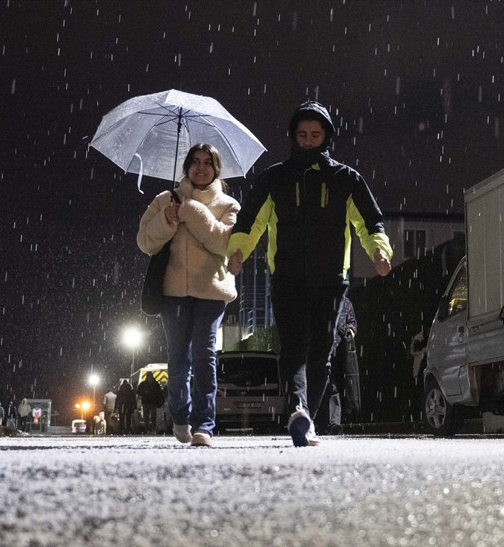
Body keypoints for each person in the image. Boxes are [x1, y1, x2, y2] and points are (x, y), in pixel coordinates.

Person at [227, 100, 392, 447]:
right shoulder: (275, 178)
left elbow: (369, 222)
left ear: (326, 137)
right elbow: (251, 222)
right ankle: (297, 408)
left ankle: (307, 419)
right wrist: (237, 251)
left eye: (315, 135)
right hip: (286, 277)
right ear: (292, 136)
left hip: (331, 279)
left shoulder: (346, 179)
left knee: (321, 352)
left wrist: (379, 250)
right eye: (302, 134)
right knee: (294, 348)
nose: (308, 140)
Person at [136, 143, 240, 447]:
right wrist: (166, 220)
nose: (201, 167)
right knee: (178, 360)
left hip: (210, 291)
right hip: (173, 293)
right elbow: (144, 242)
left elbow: (224, 244)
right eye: (195, 161)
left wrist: (190, 211)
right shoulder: (164, 200)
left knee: (204, 356)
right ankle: (180, 416)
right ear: (186, 165)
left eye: (208, 162)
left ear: (216, 169)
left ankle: (204, 425)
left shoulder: (228, 206)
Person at [316, 294, 359, 435]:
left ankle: (333, 422)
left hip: (338, 351)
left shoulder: (345, 302)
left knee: (332, 385)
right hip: (322, 350)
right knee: (323, 384)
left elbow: (352, 323)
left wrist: (350, 331)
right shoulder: (321, 301)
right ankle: (322, 422)